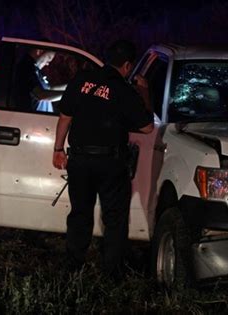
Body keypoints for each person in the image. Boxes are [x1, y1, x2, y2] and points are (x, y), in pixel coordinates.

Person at [52, 40, 154, 279]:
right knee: (115, 219)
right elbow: (148, 127)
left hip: (79, 160)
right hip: (111, 163)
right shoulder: (125, 91)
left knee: (80, 214)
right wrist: (145, 92)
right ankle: (112, 273)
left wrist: (58, 148)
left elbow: (65, 116)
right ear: (128, 65)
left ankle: (73, 267)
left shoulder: (81, 80)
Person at [14, 48, 66, 113]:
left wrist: (71, 86)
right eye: (49, 58)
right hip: (34, 120)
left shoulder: (34, 69)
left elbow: (49, 88)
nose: (48, 63)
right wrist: (69, 94)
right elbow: (41, 94)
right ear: (39, 51)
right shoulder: (26, 68)